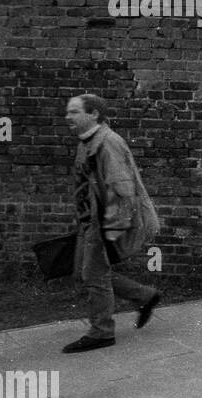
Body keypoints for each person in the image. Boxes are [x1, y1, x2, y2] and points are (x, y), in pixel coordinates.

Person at [62, 94, 162, 353]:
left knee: (93, 274)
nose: (68, 117)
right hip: (91, 221)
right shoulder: (87, 142)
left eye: (74, 112)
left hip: (105, 223)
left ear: (94, 113)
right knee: (85, 273)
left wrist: (112, 232)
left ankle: (102, 331)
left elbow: (121, 190)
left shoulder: (108, 143)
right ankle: (144, 296)